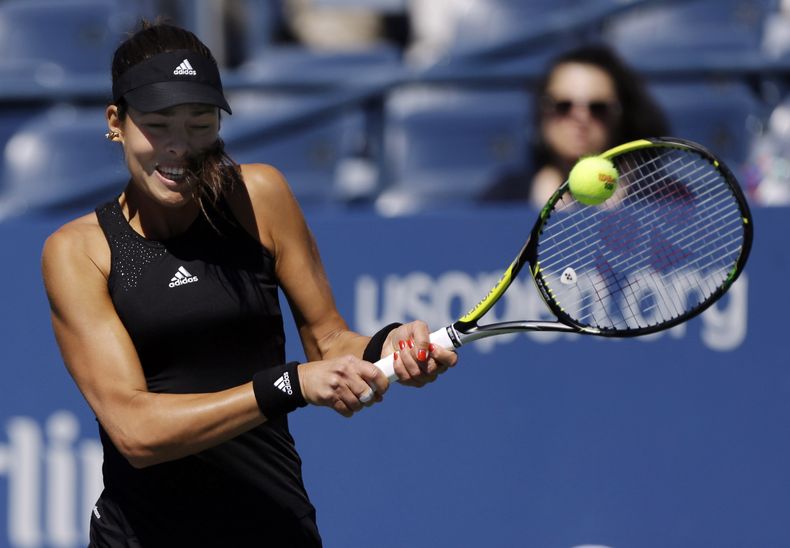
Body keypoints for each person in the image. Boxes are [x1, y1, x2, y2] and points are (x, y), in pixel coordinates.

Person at [41, 21, 457, 547]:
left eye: (200, 124)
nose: (180, 147)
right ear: (115, 123)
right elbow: (135, 431)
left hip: (274, 528)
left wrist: (388, 349)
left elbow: (328, 340)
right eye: (158, 124)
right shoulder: (79, 252)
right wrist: (289, 385)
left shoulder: (259, 196)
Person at [480, 44, 670, 206]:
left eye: (598, 108)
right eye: (563, 106)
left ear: (621, 115)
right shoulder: (502, 197)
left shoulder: (666, 196)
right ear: (542, 111)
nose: (581, 118)